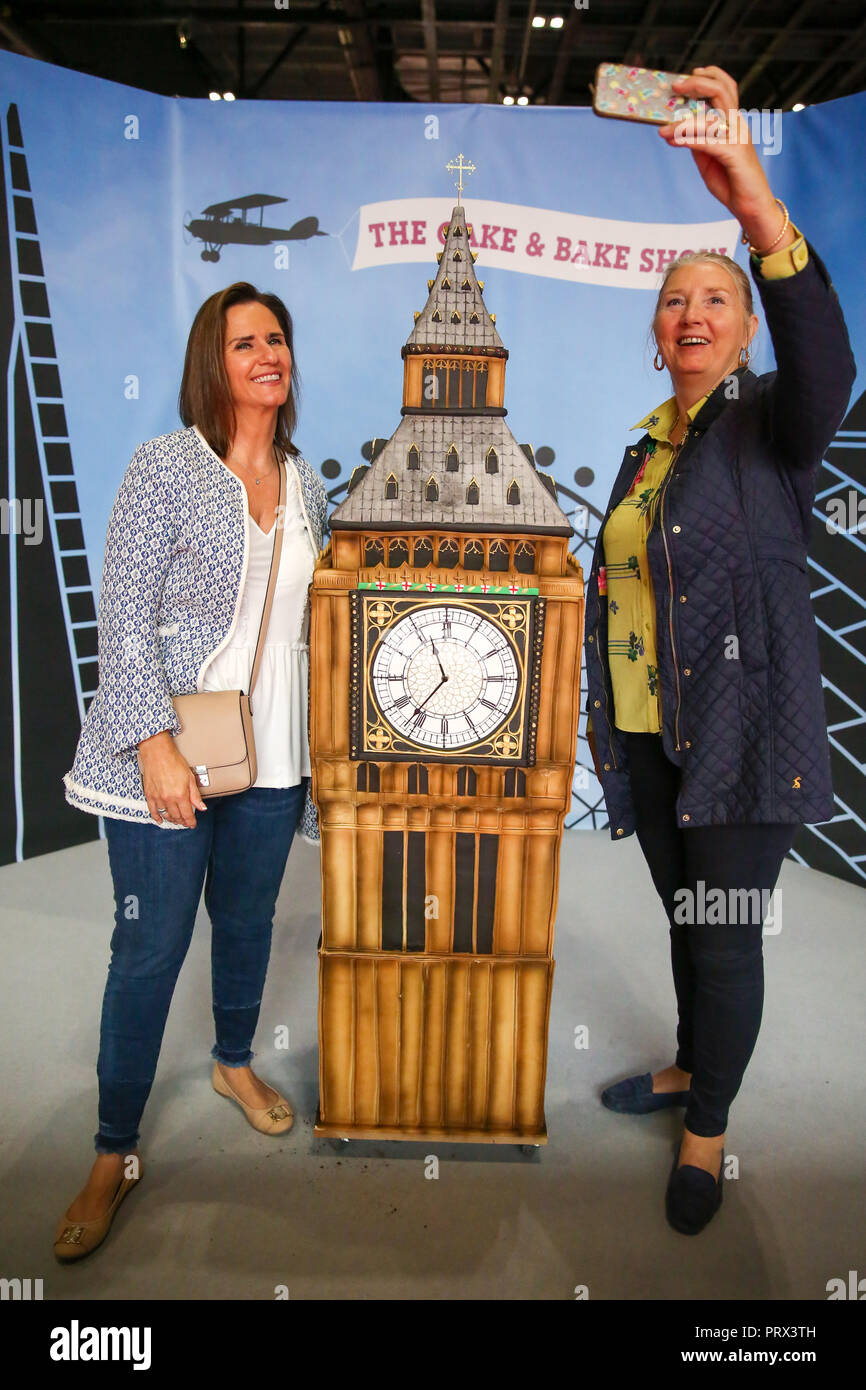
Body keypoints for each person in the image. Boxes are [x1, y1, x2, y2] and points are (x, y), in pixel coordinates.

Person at [585, 67, 856, 1234]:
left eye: (713, 299)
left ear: (742, 329)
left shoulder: (773, 432)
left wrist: (756, 212)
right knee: (682, 917)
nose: (689, 312)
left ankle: (707, 1129)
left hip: (742, 741)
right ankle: (692, 1062)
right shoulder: (642, 452)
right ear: (654, 336)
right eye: (671, 301)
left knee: (723, 932)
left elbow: (827, 365)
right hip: (650, 737)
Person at [55, 282, 328, 1261]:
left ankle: (231, 1063)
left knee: (247, 923)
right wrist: (153, 746)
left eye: (276, 338)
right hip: (165, 753)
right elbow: (121, 616)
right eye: (243, 340)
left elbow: (314, 628)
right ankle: (112, 1151)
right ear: (210, 362)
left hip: (275, 760)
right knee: (149, 951)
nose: (266, 353)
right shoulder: (164, 467)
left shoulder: (306, 483)